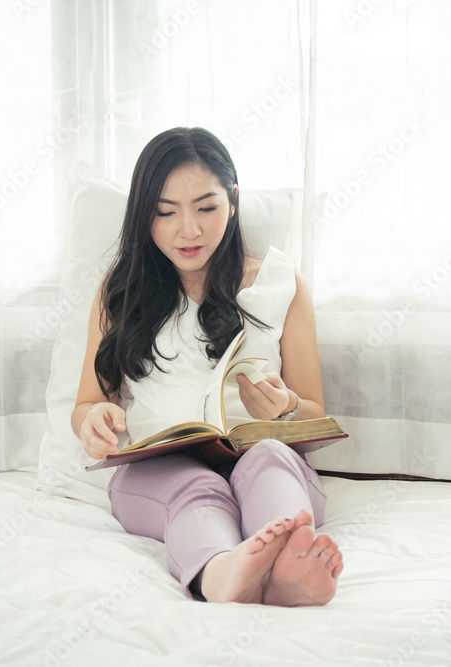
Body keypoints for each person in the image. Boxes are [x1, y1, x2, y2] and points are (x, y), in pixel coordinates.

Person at [71, 127, 343, 606]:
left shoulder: (281, 283)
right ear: (143, 215)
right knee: (191, 486)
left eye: (206, 207)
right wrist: (92, 420)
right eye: (165, 212)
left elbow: (315, 416)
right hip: (157, 469)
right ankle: (220, 574)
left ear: (233, 201)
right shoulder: (120, 291)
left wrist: (286, 408)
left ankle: (283, 567)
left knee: (270, 458)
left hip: (263, 457)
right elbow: (88, 403)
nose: (188, 230)